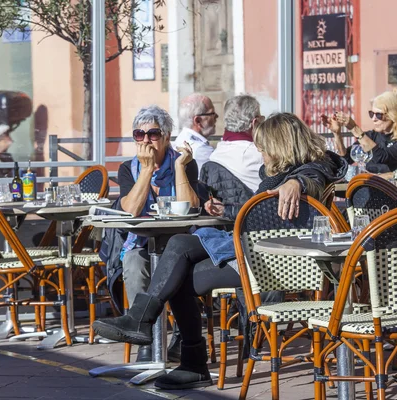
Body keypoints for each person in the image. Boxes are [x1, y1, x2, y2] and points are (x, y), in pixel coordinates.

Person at [92, 113, 348, 390]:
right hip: (255, 252)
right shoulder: (277, 175)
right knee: (178, 246)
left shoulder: (311, 170)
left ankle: (185, 356)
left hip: (279, 264)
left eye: (262, 147)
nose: (259, 152)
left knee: (176, 274)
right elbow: (261, 213)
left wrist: (296, 182)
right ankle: (152, 329)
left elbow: (315, 174)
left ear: (280, 146)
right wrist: (227, 210)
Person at [116, 104, 199, 361]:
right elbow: (130, 211)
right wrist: (146, 170)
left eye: (152, 134)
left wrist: (178, 170)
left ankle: (180, 338)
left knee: (178, 270)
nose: (146, 141)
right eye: (139, 135)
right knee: (132, 262)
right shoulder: (128, 168)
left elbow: (191, 209)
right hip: (142, 241)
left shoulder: (184, 162)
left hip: (178, 242)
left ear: (166, 137)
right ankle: (145, 337)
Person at [200, 94, 264, 219]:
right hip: (259, 224)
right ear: (255, 122)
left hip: (225, 227)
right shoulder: (260, 155)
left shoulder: (214, 155)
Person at [322, 91, 397, 173]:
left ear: (394, 116)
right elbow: (345, 160)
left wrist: (354, 128)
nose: (373, 119)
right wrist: (337, 134)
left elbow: (381, 157)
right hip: (369, 188)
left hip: (392, 192)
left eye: (379, 115)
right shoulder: (371, 136)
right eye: (371, 114)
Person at [171, 93, 217, 171]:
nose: (216, 116)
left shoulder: (181, 139)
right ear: (198, 120)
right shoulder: (202, 151)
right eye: (212, 113)